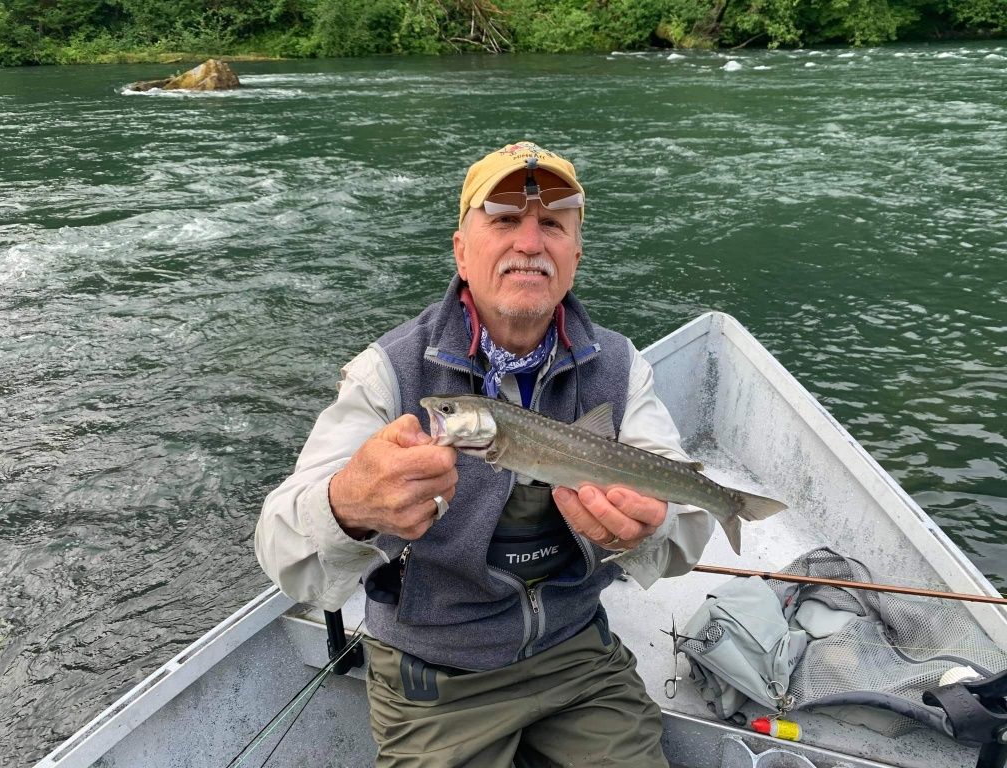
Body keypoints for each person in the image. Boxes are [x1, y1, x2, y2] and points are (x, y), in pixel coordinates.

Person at [255, 141, 714, 768]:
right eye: (503, 218)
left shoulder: (622, 368)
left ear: (575, 255)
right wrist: (348, 506)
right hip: (433, 678)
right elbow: (282, 550)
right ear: (461, 251)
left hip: (578, 654)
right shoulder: (385, 374)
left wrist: (650, 529)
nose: (529, 241)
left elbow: (687, 531)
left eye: (552, 223)